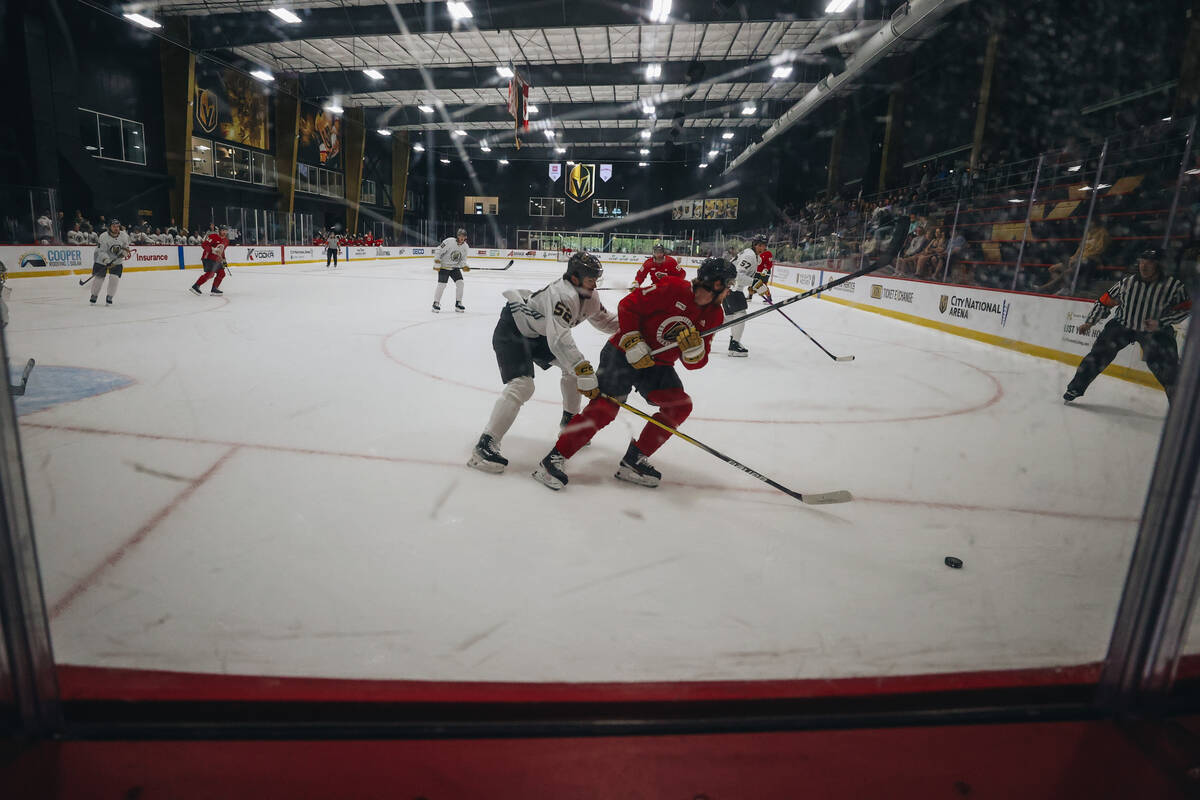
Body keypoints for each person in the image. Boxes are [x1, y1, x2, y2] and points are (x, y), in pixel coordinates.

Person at [531, 257, 736, 491]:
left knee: (679, 406)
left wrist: (695, 352)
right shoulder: (672, 288)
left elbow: (696, 363)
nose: (729, 292)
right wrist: (632, 340)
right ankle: (553, 459)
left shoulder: (714, 315)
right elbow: (629, 305)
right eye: (728, 286)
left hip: (657, 365)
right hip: (621, 353)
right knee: (605, 407)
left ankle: (634, 460)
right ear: (718, 285)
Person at [468, 251, 618, 473]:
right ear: (574, 278)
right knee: (523, 384)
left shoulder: (589, 294)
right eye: (591, 279)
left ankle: (569, 422)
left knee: (574, 371)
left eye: (596, 279)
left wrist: (635, 326)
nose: (595, 284)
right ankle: (484, 445)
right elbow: (559, 340)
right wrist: (583, 368)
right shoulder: (563, 295)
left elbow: (605, 321)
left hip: (538, 336)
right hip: (513, 331)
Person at [1063, 249, 1190, 405]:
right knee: (1098, 355)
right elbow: (1104, 301)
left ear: (1160, 265)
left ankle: (1179, 404)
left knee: (1168, 367)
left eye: (1150, 262)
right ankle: (1075, 388)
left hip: (1156, 331)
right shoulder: (1127, 282)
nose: (1144, 266)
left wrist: (1162, 321)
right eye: (1142, 261)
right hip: (1123, 325)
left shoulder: (1174, 287)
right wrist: (1090, 321)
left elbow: (1185, 309)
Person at [725, 234, 768, 357]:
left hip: (728, 286)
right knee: (740, 314)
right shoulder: (750, 256)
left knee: (730, 317)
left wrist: (754, 283)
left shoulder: (752, 255)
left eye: (764, 245)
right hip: (732, 287)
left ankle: (705, 333)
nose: (762, 248)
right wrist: (756, 283)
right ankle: (734, 345)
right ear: (755, 245)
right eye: (760, 245)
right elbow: (738, 275)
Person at [90, 218, 131, 305]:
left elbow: (126, 247)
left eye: (117, 226)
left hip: (116, 261)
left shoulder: (124, 235)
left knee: (114, 278)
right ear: (109, 227)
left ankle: (110, 296)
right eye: (114, 226)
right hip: (100, 260)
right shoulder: (103, 236)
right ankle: (94, 294)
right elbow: (101, 251)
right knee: (99, 279)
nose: (116, 228)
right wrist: (107, 261)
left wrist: (124, 252)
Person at [433, 228, 469, 313]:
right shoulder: (449, 241)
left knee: (460, 283)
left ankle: (458, 303)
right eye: (460, 236)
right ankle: (436, 303)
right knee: (442, 285)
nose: (462, 238)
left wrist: (464, 265)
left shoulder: (465, 247)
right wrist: (437, 262)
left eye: (463, 236)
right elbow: (438, 250)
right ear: (458, 236)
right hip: (444, 267)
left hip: (454, 268)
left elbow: (463, 259)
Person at [190, 224, 230, 296]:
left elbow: (222, 251)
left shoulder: (226, 241)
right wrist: (212, 249)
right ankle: (196, 286)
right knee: (210, 274)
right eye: (223, 230)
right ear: (219, 231)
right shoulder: (213, 236)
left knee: (222, 273)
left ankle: (214, 289)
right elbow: (204, 245)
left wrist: (224, 262)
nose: (224, 232)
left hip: (217, 260)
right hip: (208, 258)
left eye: (226, 231)